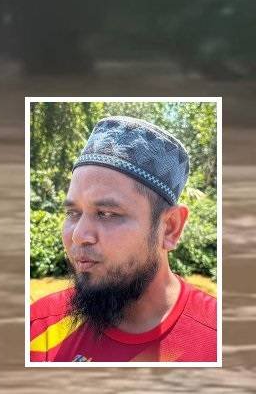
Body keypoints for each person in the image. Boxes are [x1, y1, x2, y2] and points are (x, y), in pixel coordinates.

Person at [29, 116, 217, 363]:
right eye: (73, 213)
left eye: (107, 214)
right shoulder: (36, 328)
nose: (78, 236)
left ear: (170, 228)